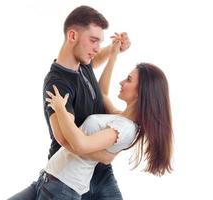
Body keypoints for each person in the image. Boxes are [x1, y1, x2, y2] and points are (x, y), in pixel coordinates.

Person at [8, 5, 130, 200]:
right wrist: (106, 156)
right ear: (72, 36)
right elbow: (66, 140)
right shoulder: (57, 84)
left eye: (100, 42)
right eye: (93, 41)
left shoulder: (83, 63)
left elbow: (95, 60)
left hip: (100, 175)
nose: (97, 48)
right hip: (66, 177)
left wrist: (113, 49)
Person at [35, 39, 173, 199]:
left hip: (68, 183)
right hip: (55, 177)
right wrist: (113, 54)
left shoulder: (124, 127)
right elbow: (102, 94)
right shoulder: (119, 117)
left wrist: (60, 109)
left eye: (128, 79)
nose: (121, 82)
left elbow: (80, 145)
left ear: (141, 92)